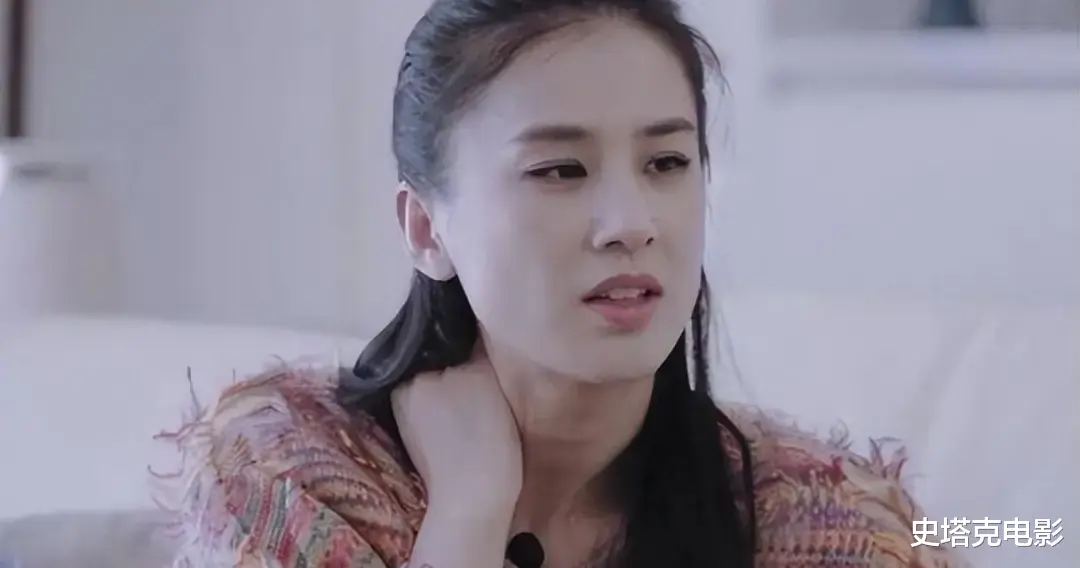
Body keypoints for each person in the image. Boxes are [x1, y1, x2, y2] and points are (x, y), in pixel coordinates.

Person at [156, 1, 970, 566]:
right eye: (560, 170)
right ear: (426, 228)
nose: (631, 223)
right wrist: (467, 519)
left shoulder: (821, 520)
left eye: (667, 163)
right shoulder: (289, 472)